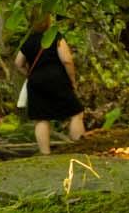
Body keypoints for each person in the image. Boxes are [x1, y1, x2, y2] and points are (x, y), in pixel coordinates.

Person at [15, 11, 85, 154]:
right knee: (76, 112)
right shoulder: (55, 36)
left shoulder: (28, 40)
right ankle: (79, 147)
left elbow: (18, 63)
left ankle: (45, 154)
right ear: (48, 20)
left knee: (41, 119)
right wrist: (72, 80)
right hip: (57, 79)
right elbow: (67, 60)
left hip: (35, 82)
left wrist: (29, 74)